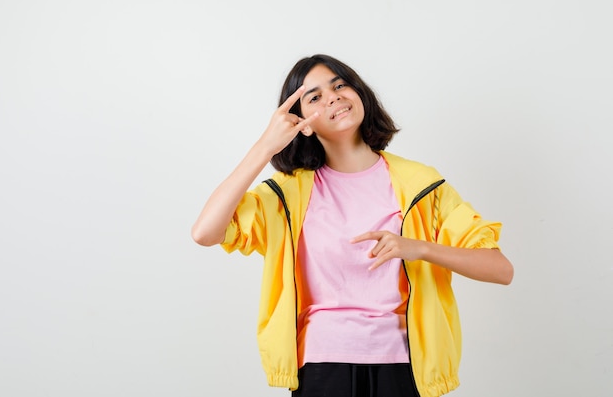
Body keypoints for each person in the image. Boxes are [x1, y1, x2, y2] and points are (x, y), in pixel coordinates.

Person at [191, 54, 514, 397]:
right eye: (314, 97)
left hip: (404, 366)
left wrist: (418, 248)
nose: (333, 97)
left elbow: (501, 269)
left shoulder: (421, 184)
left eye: (340, 84)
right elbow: (205, 232)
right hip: (321, 365)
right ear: (303, 122)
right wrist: (265, 146)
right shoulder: (287, 195)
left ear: (360, 93)